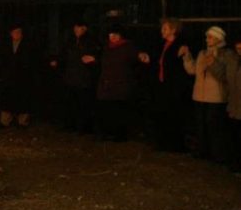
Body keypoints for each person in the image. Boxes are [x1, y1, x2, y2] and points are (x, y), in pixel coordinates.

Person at [182, 25, 231, 162]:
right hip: (199, 96)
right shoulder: (202, 53)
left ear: (218, 38)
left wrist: (213, 64)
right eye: (206, 37)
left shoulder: (225, 54)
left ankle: (217, 154)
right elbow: (193, 70)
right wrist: (187, 57)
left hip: (216, 97)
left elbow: (226, 76)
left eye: (210, 37)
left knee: (214, 126)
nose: (207, 39)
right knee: (201, 125)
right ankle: (203, 151)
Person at [95, 24, 149, 142]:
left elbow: (135, 56)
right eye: (111, 35)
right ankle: (107, 132)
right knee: (106, 108)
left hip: (121, 83)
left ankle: (119, 134)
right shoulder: (106, 47)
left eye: (115, 34)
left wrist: (140, 56)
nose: (113, 37)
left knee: (119, 109)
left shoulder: (127, 46)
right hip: (106, 83)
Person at [148, 18, 192, 152]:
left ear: (173, 30)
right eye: (162, 28)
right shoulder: (162, 44)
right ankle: (163, 142)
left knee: (174, 115)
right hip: (163, 84)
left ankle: (175, 144)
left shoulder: (180, 45)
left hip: (174, 86)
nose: (162, 31)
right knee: (163, 114)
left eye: (165, 28)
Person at [50, 20, 101, 134]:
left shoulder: (91, 42)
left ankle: (83, 127)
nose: (77, 31)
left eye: (79, 29)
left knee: (83, 103)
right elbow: (64, 55)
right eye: (75, 29)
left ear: (84, 29)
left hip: (84, 78)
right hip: (71, 77)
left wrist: (93, 60)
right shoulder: (70, 41)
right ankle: (71, 125)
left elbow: (97, 57)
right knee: (71, 102)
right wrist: (57, 61)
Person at [0, 23, 37, 128]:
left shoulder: (28, 45)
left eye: (19, 32)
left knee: (23, 99)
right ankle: (5, 121)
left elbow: (31, 60)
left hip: (23, 76)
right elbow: (2, 59)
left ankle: (22, 122)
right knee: (7, 99)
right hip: (9, 76)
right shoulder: (6, 45)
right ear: (11, 33)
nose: (17, 34)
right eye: (14, 32)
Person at [224, 36, 241, 174]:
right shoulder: (233, 62)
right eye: (238, 48)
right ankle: (235, 163)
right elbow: (226, 79)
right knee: (234, 136)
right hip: (234, 104)